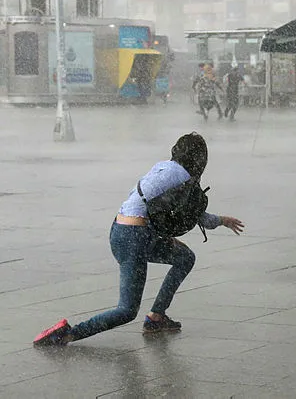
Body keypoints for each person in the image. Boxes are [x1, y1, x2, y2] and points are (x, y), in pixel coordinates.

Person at [33, 133, 244, 346]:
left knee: (184, 257)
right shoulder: (185, 179)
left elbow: (147, 204)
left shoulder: (163, 168)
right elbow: (198, 216)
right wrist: (223, 221)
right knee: (127, 310)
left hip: (121, 230)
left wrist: (160, 236)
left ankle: (156, 317)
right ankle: (67, 334)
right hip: (136, 238)